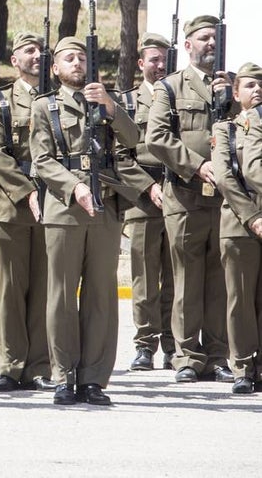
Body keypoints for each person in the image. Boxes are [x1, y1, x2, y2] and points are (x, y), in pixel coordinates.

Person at [29, 37, 152, 406]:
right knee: (61, 296)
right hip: (65, 208)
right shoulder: (45, 106)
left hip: (105, 206)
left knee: (101, 296)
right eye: (70, 58)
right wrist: (75, 187)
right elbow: (42, 159)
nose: (77, 64)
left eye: (82, 58)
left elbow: (134, 139)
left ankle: (94, 379)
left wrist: (111, 108)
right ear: (55, 68)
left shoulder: (107, 101)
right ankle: (63, 376)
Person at [147, 15, 236, 383]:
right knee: (186, 278)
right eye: (203, 38)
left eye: (215, 38)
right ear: (187, 45)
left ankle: (217, 355)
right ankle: (186, 356)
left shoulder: (231, 87)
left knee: (219, 280)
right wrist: (197, 165)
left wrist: (231, 99)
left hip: (224, 199)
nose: (210, 44)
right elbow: (157, 137)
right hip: (185, 196)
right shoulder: (170, 87)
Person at [0, 32, 55, 392]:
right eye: (29, 50)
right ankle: (10, 366)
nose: (36, 55)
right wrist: (27, 192)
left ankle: (39, 366)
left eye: (41, 50)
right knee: (10, 289)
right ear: (15, 60)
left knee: (44, 288)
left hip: (52, 201)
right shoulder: (0, 100)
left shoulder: (56, 99)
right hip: (11, 205)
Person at [118, 33, 175, 371]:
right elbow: (121, 156)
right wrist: (150, 187)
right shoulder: (128, 102)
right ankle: (145, 345)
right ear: (141, 63)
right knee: (144, 277)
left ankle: (173, 344)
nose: (160, 65)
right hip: (142, 199)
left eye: (165, 58)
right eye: (154, 59)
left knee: (176, 276)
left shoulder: (178, 97)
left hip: (178, 193)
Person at [214, 64, 262, 395]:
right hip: (239, 223)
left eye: (261, 85)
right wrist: (253, 217)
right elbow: (225, 178)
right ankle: (243, 366)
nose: (257, 90)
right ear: (235, 93)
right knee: (240, 299)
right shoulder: (226, 129)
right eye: (250, 85)